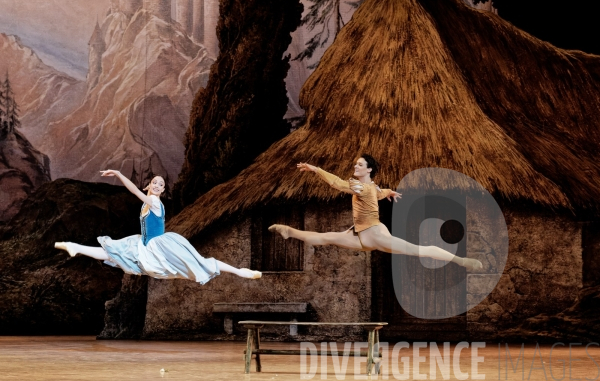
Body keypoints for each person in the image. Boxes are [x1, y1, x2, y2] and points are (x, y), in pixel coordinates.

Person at [269, 155, 483, 271]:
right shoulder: (371, 187)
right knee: (326, 238)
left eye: (360, 164)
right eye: (356, 163)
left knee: (419, 250)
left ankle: (461, 261)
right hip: (360, 235)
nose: (356, 166)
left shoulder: (361, 187)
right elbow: (379, 193)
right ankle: (289, 231)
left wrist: (316, 170)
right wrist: (389, 192)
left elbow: (337, 183)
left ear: (369, 170)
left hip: (374, 235)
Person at [55, 170, 261, 283]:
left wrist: (118, 174)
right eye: (154, 182)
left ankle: (241, 272)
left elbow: (135, 192)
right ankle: (75, 247)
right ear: (149, 185)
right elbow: (140, 195)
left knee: (201, 263)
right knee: (112, 253)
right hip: (144, 243)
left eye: (161, 184)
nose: (157, 185)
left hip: (159, 245)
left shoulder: (153, 202)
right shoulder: (147, 203)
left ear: (162, 190)